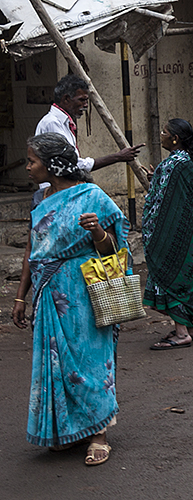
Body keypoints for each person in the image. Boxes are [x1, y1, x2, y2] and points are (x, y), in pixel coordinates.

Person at [12, 133, 129, 466]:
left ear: (52, 164)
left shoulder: (92, 196)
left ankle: (99, 433)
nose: (28, 167)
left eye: (32, 161)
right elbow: (32, 250)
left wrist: (97, 232)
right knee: (58, 364)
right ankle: (69, 429)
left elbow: (115, 252)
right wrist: (21, 296)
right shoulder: (40, 199)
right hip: (49, 293)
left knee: (90, 362)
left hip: (83, 292)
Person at [143, 119, 193, 350]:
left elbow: (164, 202)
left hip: (174, 231)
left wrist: (152, 230)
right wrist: (156, 179)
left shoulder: (174, 164)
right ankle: (189, 326)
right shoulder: (185, 161)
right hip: (190, 229)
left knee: (172, 273)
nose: (160, 135)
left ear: (175, 139)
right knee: (184, 275)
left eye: (165, 132)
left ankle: (181, 333)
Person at [35, 74, 144, 189]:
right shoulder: (52, 123)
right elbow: (72, 164)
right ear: (66, 99)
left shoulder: (63, 123)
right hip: (55, 192)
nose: (86, 105)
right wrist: (117, 157)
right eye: (82, 100)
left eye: (87, 100)